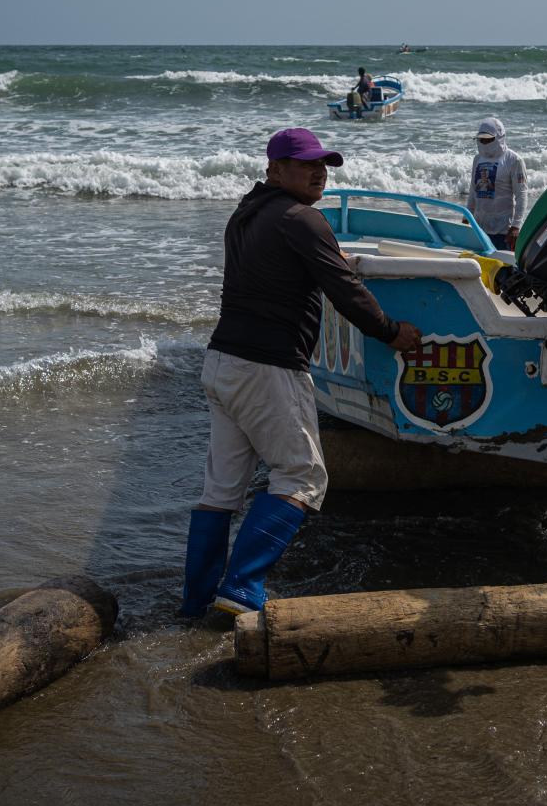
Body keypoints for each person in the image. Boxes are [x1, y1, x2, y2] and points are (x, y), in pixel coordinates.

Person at [181, 127, 423, 618]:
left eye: (324, 164)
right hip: (267, 368)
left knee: (222, 491)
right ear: (274, 169)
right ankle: (242, 587)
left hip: (222, 362)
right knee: (302, 477)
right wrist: (390, 330)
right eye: (306, 163)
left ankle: (196, 600)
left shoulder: (244, 215)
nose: (319, 172)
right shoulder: (301, 219)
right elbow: (344, 288)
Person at [466, 117, 528, 251]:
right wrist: (467, 217)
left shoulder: (514, 160)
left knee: (502, 269)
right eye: (481, 140)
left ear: (499, 137)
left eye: (488, 139)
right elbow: (473, 190)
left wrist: (516, 226)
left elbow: (521, 194)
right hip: (479, 228)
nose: (484, 142)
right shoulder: (477, 159)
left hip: (503, 231)